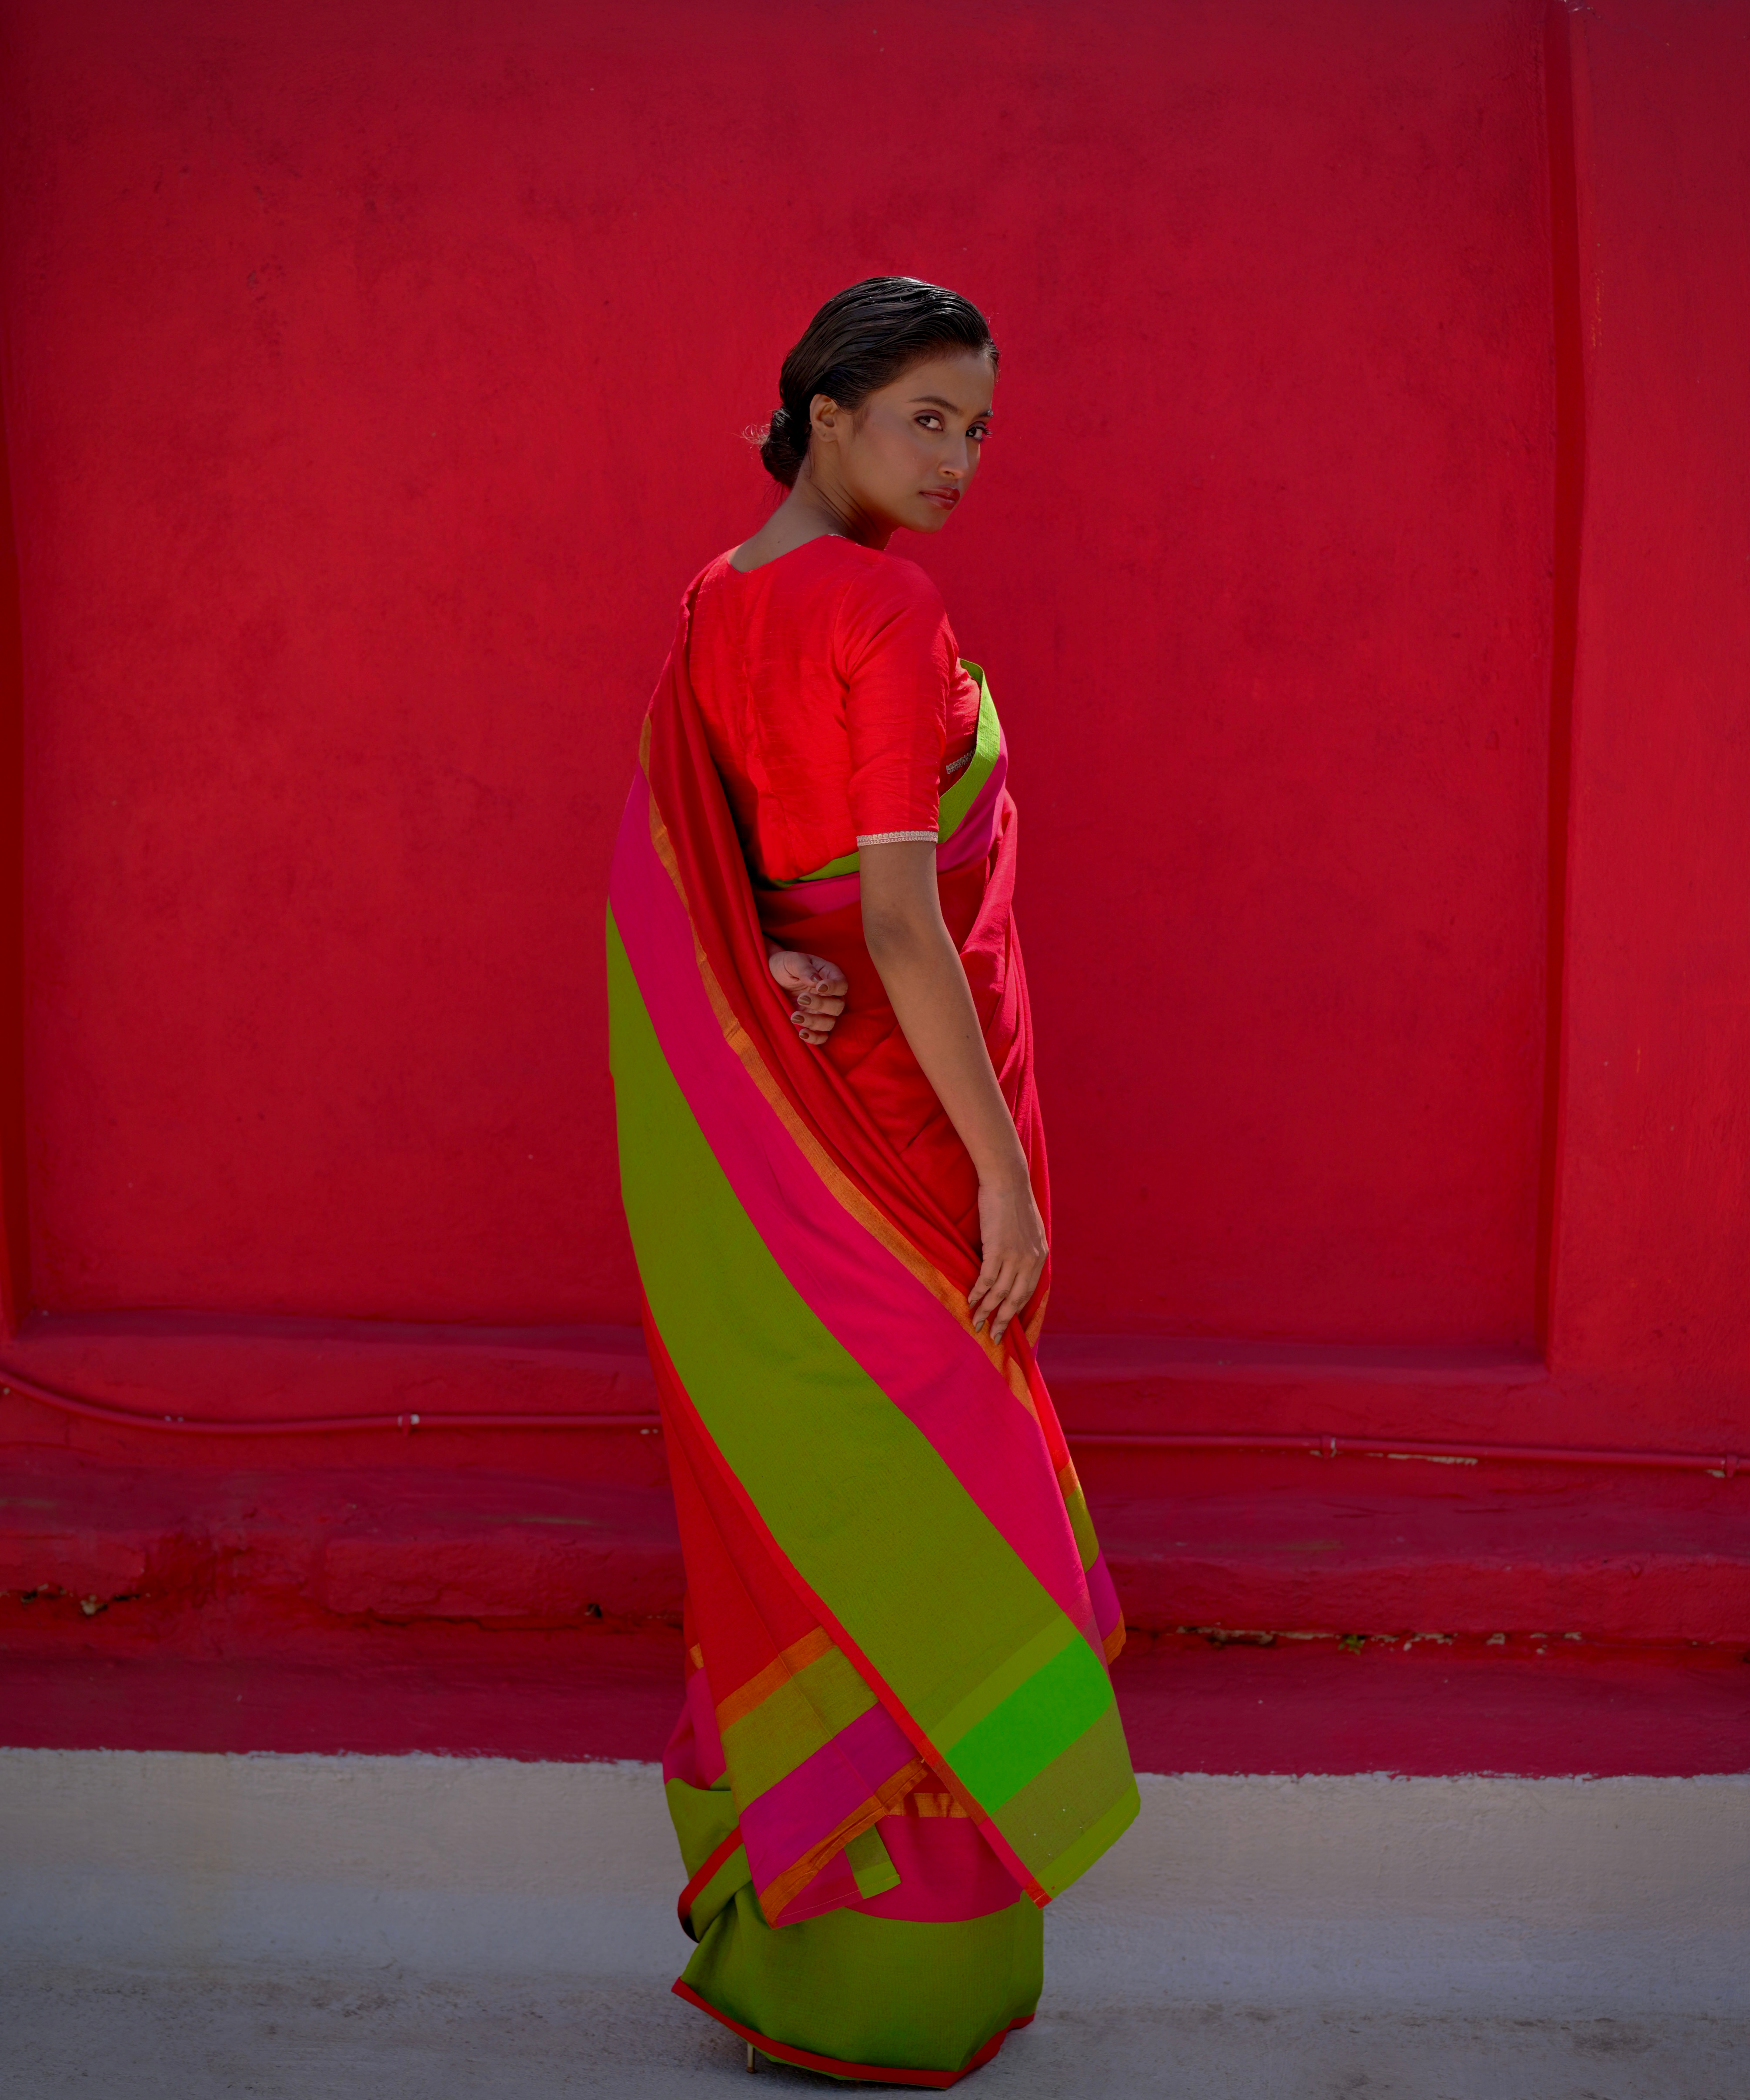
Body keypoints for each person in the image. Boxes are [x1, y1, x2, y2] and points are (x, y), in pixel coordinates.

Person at [606, 276, 1136, 2087]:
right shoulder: (882, 606)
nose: (959, 458)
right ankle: (916, 1985)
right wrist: (1007, 1185)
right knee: (940, 1515)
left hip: (795, 1125)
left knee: (817, 1514)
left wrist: (783, 967)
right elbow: (899, 915)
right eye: (927, 416)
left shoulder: (717, 600)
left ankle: (803, 1959)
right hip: (899, 1138)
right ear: (822, 409)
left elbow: (733, 883)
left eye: (978, 427)